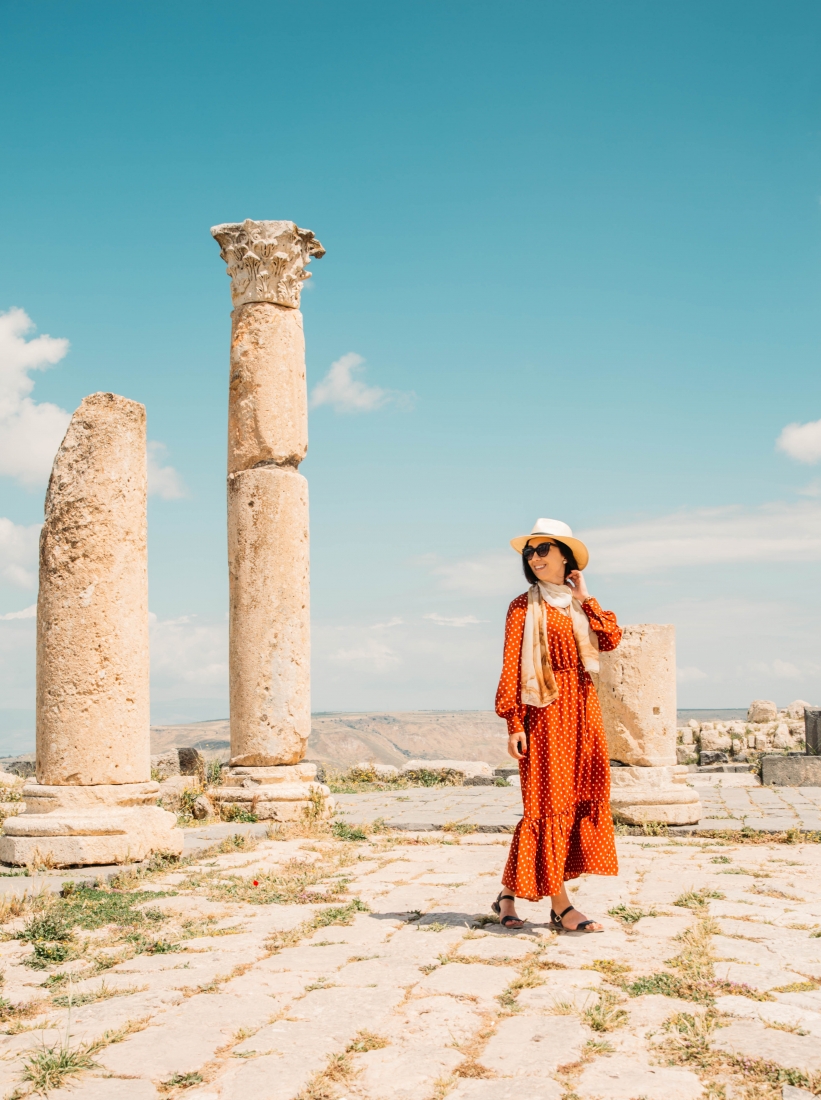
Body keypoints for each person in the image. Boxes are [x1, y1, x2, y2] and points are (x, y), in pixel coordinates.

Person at [492, 518, 622, 932]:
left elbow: (611, 637)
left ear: (566, 556)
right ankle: (561, 904)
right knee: (546, 806)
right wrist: (514, 722)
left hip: (583, 709)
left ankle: (507, 895)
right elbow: (512, 665)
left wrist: (586, 598)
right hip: (544, 712)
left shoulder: (576, 603)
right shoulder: (521, 606)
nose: (533, 558)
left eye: (542, 549)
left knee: (572, 801)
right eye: (529, 552)